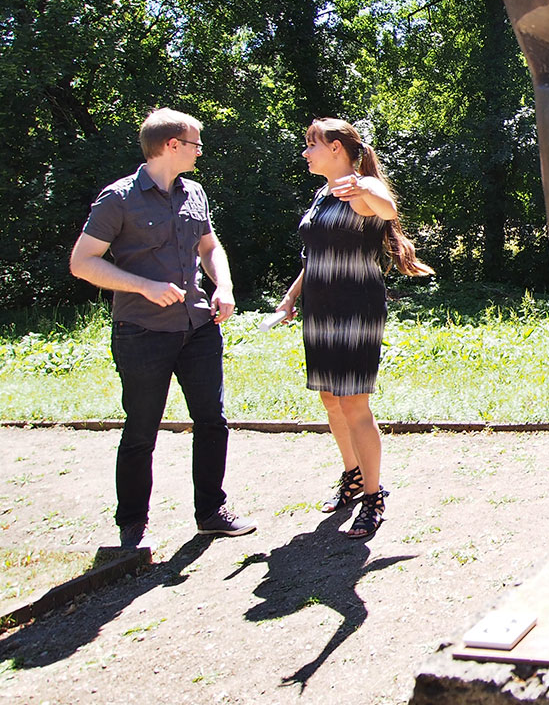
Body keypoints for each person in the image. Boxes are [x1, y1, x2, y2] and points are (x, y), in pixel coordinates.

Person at [70, 108, 257, 548]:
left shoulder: (194, 192)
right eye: (195, 144)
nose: (200, 152)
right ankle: (132, 525)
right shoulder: (118, 199)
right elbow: (82, 263)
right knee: (141, 429)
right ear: (172, 145)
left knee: (212, 421)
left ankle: (211, 512)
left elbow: (210, 247)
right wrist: (144, 286)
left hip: (199, 326)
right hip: (142, 331)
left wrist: (224, 285)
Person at [271, 119, 432, 539]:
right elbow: (314, 256)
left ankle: (374, 497)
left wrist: (362, 190)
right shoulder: (322, 194)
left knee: (354, 403)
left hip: (354, 308)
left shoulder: (361, 187)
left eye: (312, 144)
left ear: (337, 148)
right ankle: (353, 475)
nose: (306, 152)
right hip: (319, 308)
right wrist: (290, 298)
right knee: (330, 398)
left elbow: (387, 208)